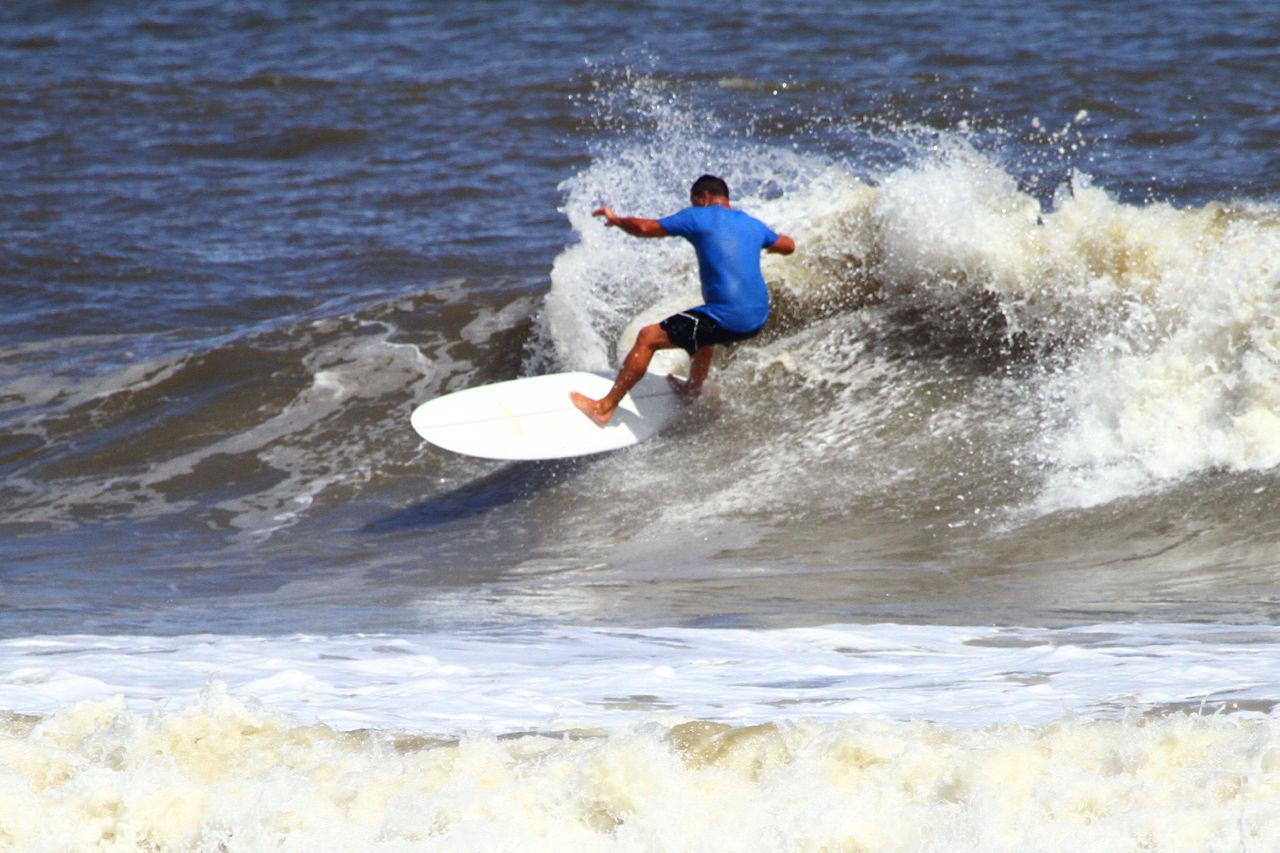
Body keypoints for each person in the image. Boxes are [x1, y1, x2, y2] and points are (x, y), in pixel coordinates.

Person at [570, 174, 795, 426]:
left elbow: (645, 228)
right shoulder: (752, 224)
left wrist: (616, 220)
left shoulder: (699, 215)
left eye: (695, 201)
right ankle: (693, 388)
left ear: (704, 197)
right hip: (757, 316)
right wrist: (768, 244)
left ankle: (604, 407)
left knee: (648, 337)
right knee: (703, 326)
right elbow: (788, 246)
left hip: (731, 317)